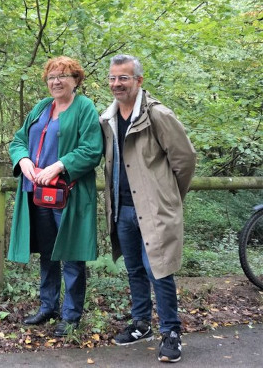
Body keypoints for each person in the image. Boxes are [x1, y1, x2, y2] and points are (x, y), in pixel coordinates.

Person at [100, 54, 197, 363]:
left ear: (139, 81)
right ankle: (141, 323)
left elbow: (185, 160)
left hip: (153, 210)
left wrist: (169, 198)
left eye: (124, 78)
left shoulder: (158, 115)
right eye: (113, 78)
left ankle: (171, 333)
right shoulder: (108, 118)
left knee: (160, 270)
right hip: (122, 209)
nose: (117, 84)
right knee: (135, 269)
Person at [8, 56, 103, 337]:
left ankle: (71, 315)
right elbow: (18, 140)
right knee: (47, 252)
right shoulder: (41, 108)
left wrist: (58, 166)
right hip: (38, 194)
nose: (56, 81)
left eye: (63, 76)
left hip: (69, 195)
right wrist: (23, 160)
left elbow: (91, 149)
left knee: (71, 254)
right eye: (51, 77)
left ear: (76, 80)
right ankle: (48, 305)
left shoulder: (84, 108)